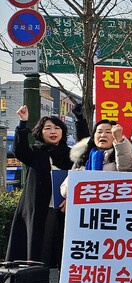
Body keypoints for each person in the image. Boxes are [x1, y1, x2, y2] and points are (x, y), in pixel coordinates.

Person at [5, 106, 76, 267]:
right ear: (40, 132)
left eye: (57, 128)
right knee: (35, 247)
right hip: (37, 207)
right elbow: (19, 150)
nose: (53, 131)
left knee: (58, 247)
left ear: (63, 132)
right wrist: (23, 123)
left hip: (62, 207)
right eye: (48, 128)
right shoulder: (35, 152)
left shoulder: (71, 154)